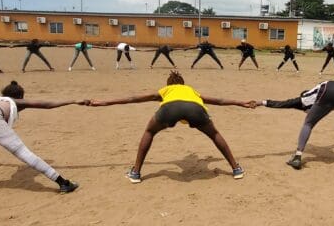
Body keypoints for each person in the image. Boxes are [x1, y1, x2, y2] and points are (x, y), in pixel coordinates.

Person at [88, 70, 251, 183]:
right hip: (195, 109)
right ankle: (236, 169)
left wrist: (104, 102)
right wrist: (241, 102)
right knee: (214, 134)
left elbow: (133, 99)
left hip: (170, 109)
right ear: (183, 84)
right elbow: (219, 101)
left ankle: (136, 173)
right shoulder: (191, 90)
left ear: (168, 84)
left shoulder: (166, 90)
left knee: (149, 132)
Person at [259, 80, 334, 169]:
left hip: (331, 91)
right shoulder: (316, 92)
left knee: (308, 123)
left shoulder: (304, 99)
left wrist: (261, 103)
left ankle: (297, 157)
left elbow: (283, 103)